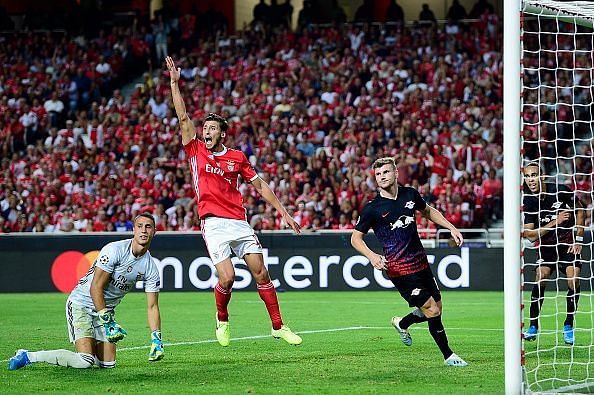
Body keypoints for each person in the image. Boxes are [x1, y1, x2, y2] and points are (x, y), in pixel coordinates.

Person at [166, 56, 302, 346]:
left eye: (213, 129)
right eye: (206, 128)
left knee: (261, 272)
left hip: (238, 222)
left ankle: (278, 326)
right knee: (227, 278)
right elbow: (182, 117)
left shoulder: (237, 157)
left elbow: (261, 186)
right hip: (213, 223)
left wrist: (284, 213)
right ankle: (222, 319)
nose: (207, 131)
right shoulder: (195, 150)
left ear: (223, 134)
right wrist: (174, 84)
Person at [350, 157, 468, 367]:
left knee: (437, 307)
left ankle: (402, 323)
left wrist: (451, 227)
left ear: (396, 173)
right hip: (399, 269)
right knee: (432, 310)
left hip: (421, 263)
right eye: (378, 174)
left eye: (386, 172)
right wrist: (372, 256)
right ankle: (449, 356)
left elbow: (429, 211)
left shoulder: (410, 194)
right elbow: (355, 238)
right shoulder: (372, 208)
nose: (382, 176)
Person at [8, 213, 163, 370]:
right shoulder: (114, 250)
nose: (144, 230)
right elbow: (95, 287)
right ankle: (28, 356)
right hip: (82, 303)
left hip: (105, 310)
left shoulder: (150, 267)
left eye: (148, 227)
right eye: (140, 226)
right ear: (133, 230)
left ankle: (89, 347)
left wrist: (156, 338)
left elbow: (152, 307)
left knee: (108, 365)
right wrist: (108, 321)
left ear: (154, 232)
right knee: (85, 361)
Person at [522, 161, 585, 345]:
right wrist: (554, 222)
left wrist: (579, 238)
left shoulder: (560, 190)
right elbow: (530, 235)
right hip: (547, 247)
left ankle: (568, 325)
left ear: (542, 176)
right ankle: (533, 326)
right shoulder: (529, 201)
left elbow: (580, 210)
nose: (530, 180)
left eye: (533, 175)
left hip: (567, 243)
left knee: (573, 279)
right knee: (541, 276)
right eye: (527, 176)